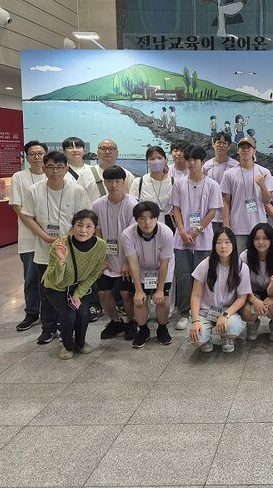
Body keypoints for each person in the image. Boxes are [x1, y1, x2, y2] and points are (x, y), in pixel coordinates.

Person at [20, 151, 91, 344]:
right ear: (43, 169)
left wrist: (67, 238)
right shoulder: (34, 190)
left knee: (69, 291)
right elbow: (28, 217)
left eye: (59, 167)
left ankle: (66, 328)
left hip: (71, 251)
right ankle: (48, 328)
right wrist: (44, 236)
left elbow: (84, 218)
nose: (55, 171)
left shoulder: (77, 190)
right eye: (50, 167)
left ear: (66, 169)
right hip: (44, 251)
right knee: (47, 292)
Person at [41, 210, 106, 359]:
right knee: (69, 316)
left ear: (94, 228)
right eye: (79, 225)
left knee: (83, 314)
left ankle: (80, 342)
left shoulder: (101, 246)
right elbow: (54, 279)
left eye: (88, 226)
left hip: (80, 286)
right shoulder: (60, 244)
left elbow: (93, 274)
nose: (83, 230)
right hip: (57, 287)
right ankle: (67, 345)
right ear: (73, 226)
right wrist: (61, 262)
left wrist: (78, 294)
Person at [171, 145, 223, 331]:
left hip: (203, 238)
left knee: (204, 276)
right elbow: (176, 209)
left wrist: (196, 231)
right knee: (184, 276)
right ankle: (184, 312)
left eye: (195, 159)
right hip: (182, 238)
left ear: (202, 162)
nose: (191, 163)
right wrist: (183, 232)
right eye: (189, 159)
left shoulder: (212, 185)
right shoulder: (179, 183)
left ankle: (202, 311)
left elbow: (212, 211)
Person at [92, 165, 138, 341]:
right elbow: (97, 232)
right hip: (108, 257)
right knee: (103, 293)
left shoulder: (132, 204)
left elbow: (133, 235)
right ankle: (115, 321)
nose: (113, 185)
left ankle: (131, 322)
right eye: (109, 181)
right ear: (104, 183)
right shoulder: (98, 204)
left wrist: (127, 261)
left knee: (126, 294)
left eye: (117, 181)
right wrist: (102, 258)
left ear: (124, 182)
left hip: (127, 257)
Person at [121, 201, 175, 348]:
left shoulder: (166, 233)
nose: (147, 222)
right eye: (142, 218)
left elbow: (164, 263)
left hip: (161, 267)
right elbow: (133, 263)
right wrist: (138, 291)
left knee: (163, 299)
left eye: (151, 218)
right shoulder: (127, 234)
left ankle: (162, 328)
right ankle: (143, 330)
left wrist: (160, 290)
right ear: (136, 219)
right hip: (141, 268)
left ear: (157, 218)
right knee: (139, 299)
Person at [190, 227, 251, 353]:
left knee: (232, 329)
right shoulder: (205, 264)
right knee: (196, 338)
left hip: (228, 312)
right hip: (205, 312)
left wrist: (225, 315)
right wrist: (195, 320)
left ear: (233, 244)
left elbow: (242, 298)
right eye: (219, 242)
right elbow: (196, 295)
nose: (223, 246)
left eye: (227, 242)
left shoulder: (241, 267)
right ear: (214, 245)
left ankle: (226, 337)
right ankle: (206, 338)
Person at [11, 140, 48, 331]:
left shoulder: (55, 175)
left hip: (53, 238)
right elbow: (17, 206)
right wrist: (38, 229)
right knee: (31, 277)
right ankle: (32, 312)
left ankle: (51, 314)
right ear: (27, 157)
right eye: (32, 154)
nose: (37, 157)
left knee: (53, 278)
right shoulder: (19, 177)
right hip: (29, 237)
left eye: (40, 153)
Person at [221, 136, 271, 253]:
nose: (245, 150)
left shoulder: (264, 172)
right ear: (238, 151)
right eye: (242, 148)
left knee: (259, 260)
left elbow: (267, 200)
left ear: (254, 150)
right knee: (239, 260)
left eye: (249, 147)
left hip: (259, 226)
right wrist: (226, 224)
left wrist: (262, 186)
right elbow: (225, 201)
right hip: (237, 226)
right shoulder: (229, 173)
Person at [239, 223, 273, 341]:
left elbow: (271, 292)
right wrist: (255, 301)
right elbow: (243, 287)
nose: (260, 242)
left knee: (272, 305)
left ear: (271, 240)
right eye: (256, 238)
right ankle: (252, 323)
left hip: (272, 292)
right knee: (246, 311)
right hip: (251, 291)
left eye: (265, 238)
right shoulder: (244, 257)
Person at [203, 132, 238, 233]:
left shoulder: (235, 166)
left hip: (231, 215)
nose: (221, 146)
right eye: (218, 142)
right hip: (211, 215)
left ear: (229, 146)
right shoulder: (206, 166)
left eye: (224, 143)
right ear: (213, 144)